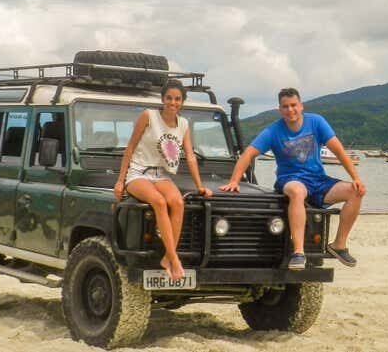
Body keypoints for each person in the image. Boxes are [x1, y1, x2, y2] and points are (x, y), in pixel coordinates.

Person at [219, 87, 366, 270]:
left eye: (293, 105)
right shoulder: (273, 131)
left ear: (301, 105)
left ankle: (339, 245)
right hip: (290, 179)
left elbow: (339, 151)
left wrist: (356, 178)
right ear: (280, 109)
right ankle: (298, 252)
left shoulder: (316, 122)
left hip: (317, 179)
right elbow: (248, 153)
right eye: (285, 106)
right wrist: (234, 181)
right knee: (297, 191)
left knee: (356, 191)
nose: (290, 110)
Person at [114, 80, 212, 281]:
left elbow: (190, 156)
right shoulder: (148, 116)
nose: (173, 103)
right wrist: (120, 181)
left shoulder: (183, 124)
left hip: (161, 174)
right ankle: (174, 259)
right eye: (169, 98)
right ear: (162, 99)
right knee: (159, 202)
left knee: (177, 202)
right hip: (138, 172)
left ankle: (168, 258)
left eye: (177, 99)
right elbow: (130, 147)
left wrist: (200, 186)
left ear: (182, 102)